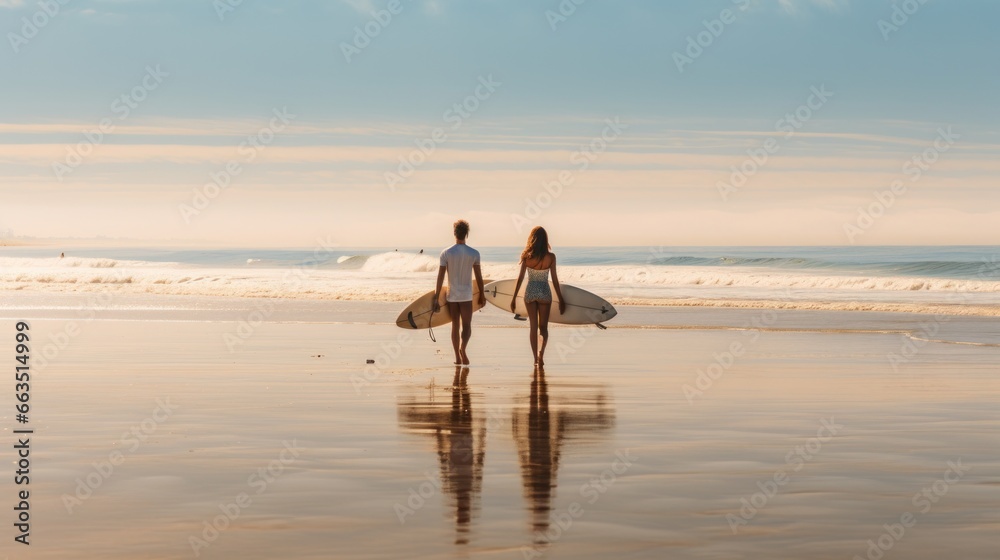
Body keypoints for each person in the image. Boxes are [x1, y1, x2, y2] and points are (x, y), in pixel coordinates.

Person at [433, 220, 486, 365]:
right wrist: (482, 293)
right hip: (466, 295)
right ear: (467, 234)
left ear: (454, 233)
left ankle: (457, 356)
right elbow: (479, 277)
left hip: (452, 295)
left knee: (455, 325)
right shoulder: (474, 253)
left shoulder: (446, 253)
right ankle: (463, 349)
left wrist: (436, 298)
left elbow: (441, 277)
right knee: (467, 326)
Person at [510, 226, 565, 366]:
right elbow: (555, 279)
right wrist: (561, 299)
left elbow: (520, 278)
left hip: (531, 292)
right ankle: (541, 355)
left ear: (532, 239)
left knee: (533, 327)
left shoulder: (527, 256)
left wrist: (513, 297)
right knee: (544, 328)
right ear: (545, 239)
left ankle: (534, 358)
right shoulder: (551, 257)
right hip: (544, 292)